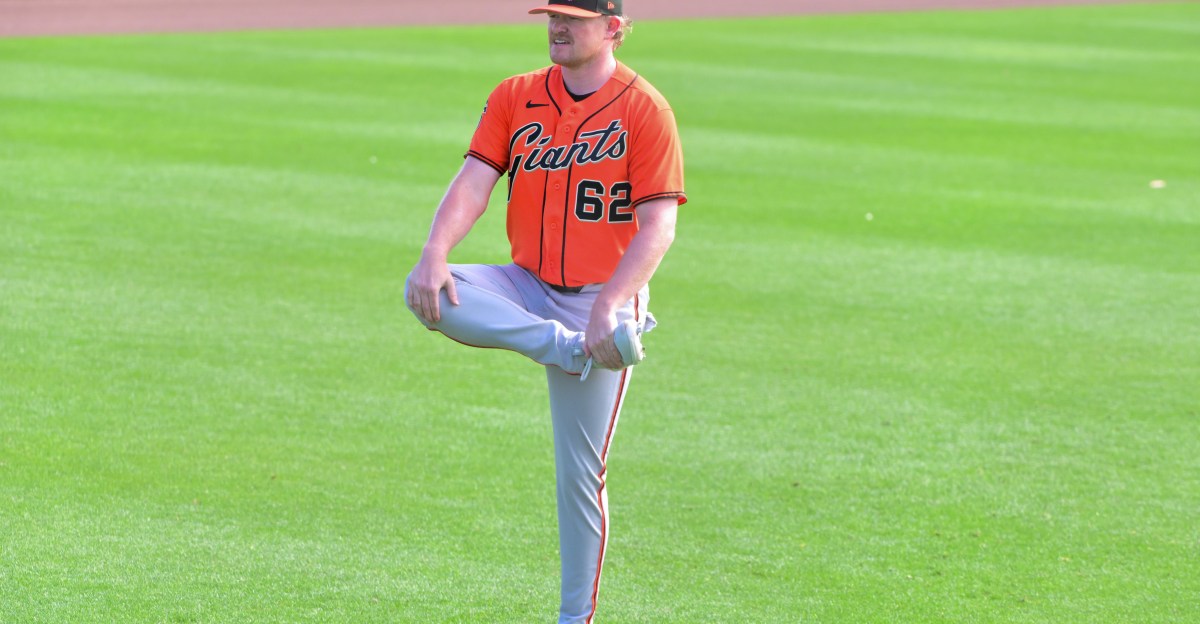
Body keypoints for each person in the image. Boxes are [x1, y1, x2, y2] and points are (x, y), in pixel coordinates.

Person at [404, 1, 685, 621]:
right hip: (526, 286)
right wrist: (435, 251)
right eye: (553, 14)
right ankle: (566, 349)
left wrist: (610, 304)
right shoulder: (516, 95)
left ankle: (574, 619)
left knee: (579, 475)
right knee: (428, 290)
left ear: (614, 28)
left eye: (575, 18)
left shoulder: (645, 109)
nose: (558, 26)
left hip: (599, 298)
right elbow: (474, 181)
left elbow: (659, 227)